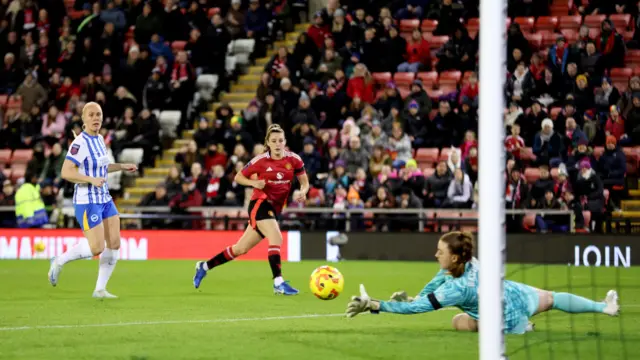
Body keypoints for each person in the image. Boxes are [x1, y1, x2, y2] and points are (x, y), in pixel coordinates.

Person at [345, 231, 620, 334]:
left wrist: (375, 305)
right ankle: (604, 308)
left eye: (440, 252)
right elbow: (433, 283)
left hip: (503, 317)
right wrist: (416, 296)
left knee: (457, 321)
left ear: (453, 257)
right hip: (514, 293)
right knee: (554, 298)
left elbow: (418, 310)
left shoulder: (455, 288)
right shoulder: (468, 261)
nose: (435, 254)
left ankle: (523, 326)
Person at [193, 124, 309, 295]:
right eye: (274, 141)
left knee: (240, 249)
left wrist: (303, 191)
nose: (278, 144)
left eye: (281, 140)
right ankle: (278, 282)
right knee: (276, 237)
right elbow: (239, 176)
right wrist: (254, 183)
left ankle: (204, 266)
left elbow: (304, 182)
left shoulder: (294, 160)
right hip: (260, 204)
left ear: (285, 142)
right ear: (268, 143)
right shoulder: (260, 161)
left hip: (275, 209)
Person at [47, 102, 138, 298]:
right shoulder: (79, 143)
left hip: (104, 197)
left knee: (114, 242)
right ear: (84, 119)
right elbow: (66, 172)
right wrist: (90, 179)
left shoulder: (99, 140)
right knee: (97, 247)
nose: (96, 118)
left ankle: (100, 289)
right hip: (87, 200)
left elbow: (101, 167)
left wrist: (122, 166)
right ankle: (59, 261)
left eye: (99, 114)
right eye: (92, 115)